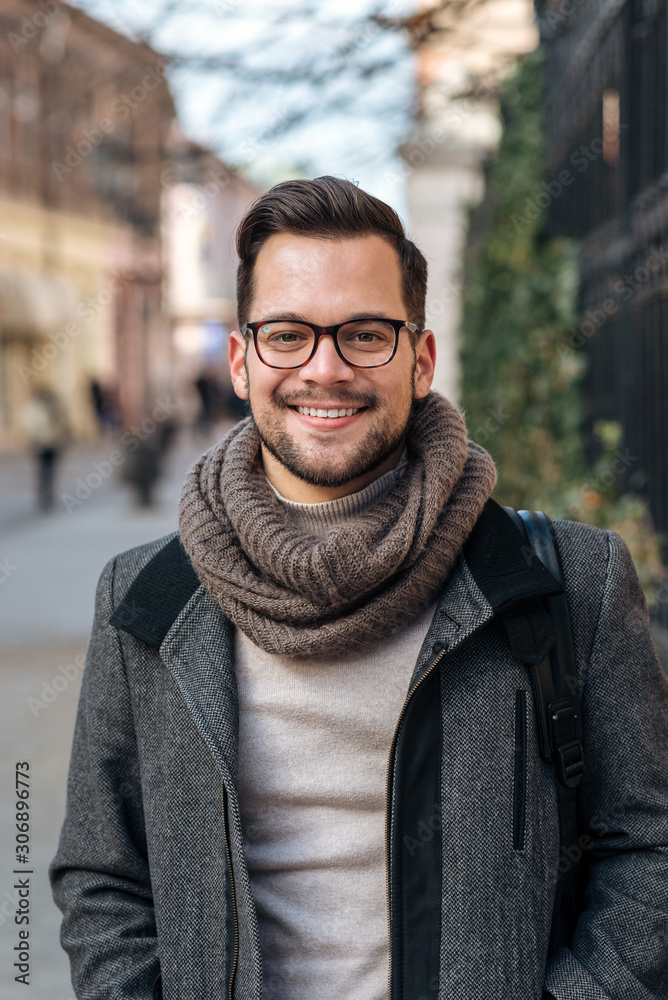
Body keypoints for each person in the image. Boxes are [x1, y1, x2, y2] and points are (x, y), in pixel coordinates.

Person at [50, 177, 668, 1000]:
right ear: (241, 361)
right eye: (288, 335)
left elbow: (650, 846)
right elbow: (102, 877)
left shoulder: (565, 586)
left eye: (366, 335)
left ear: (421, 360)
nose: (326, 368)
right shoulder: (146, 601)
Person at [21, 386, 70, 511]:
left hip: (46, 443)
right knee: (46, 470)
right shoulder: (40, 407)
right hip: (46, 443)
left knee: (46, 470)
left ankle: (46, 495)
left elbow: (28, 424)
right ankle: (45, 495)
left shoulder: (37, 407)